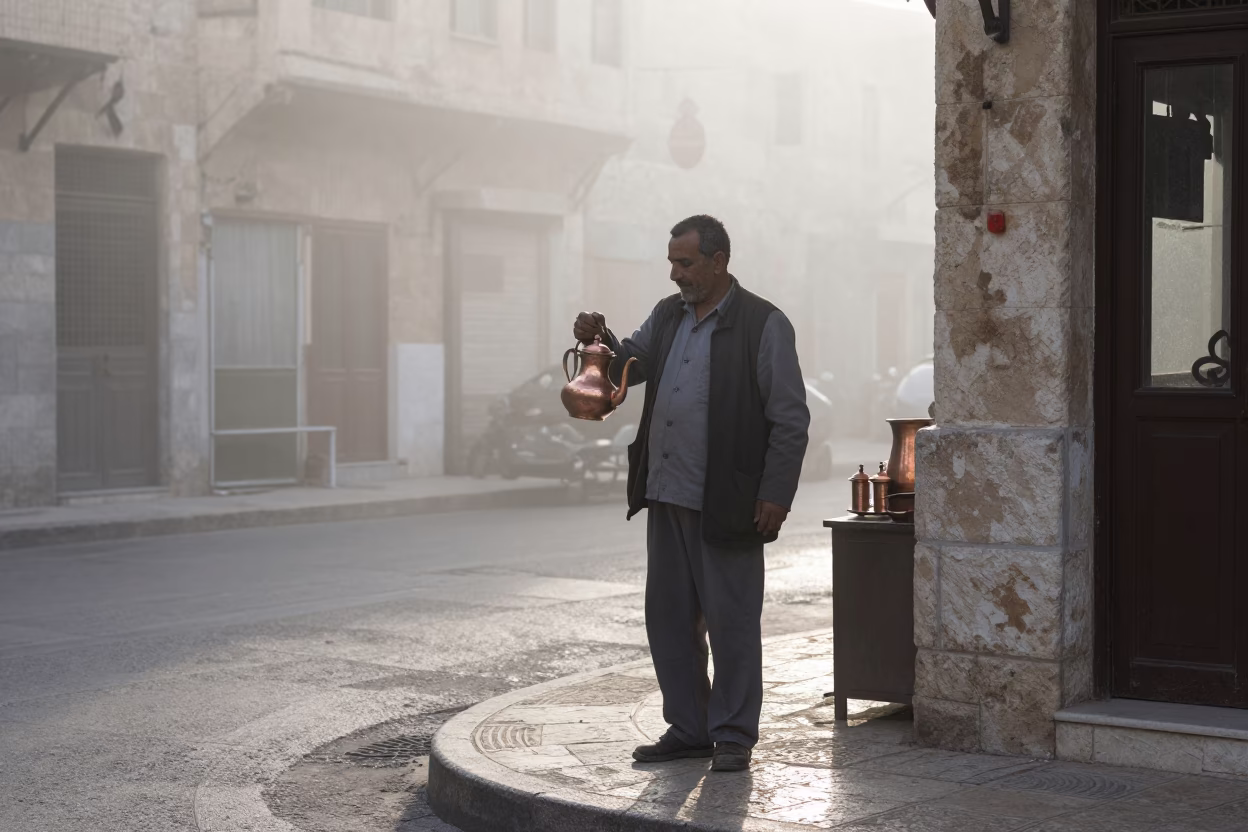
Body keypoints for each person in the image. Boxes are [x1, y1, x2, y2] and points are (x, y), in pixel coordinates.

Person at [573, 215, 809, 773]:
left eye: (686, 263)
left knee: (731, 623)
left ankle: (732, 735)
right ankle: (689, 727)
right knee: (670, 619)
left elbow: (790, 418)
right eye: (672, 263)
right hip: (667, 492)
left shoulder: (764, 323)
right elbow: (632, 362)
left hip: (727, 499)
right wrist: (599, 341)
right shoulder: (668, 315)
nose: (676, 274)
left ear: (719, 260)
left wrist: (776, 492)